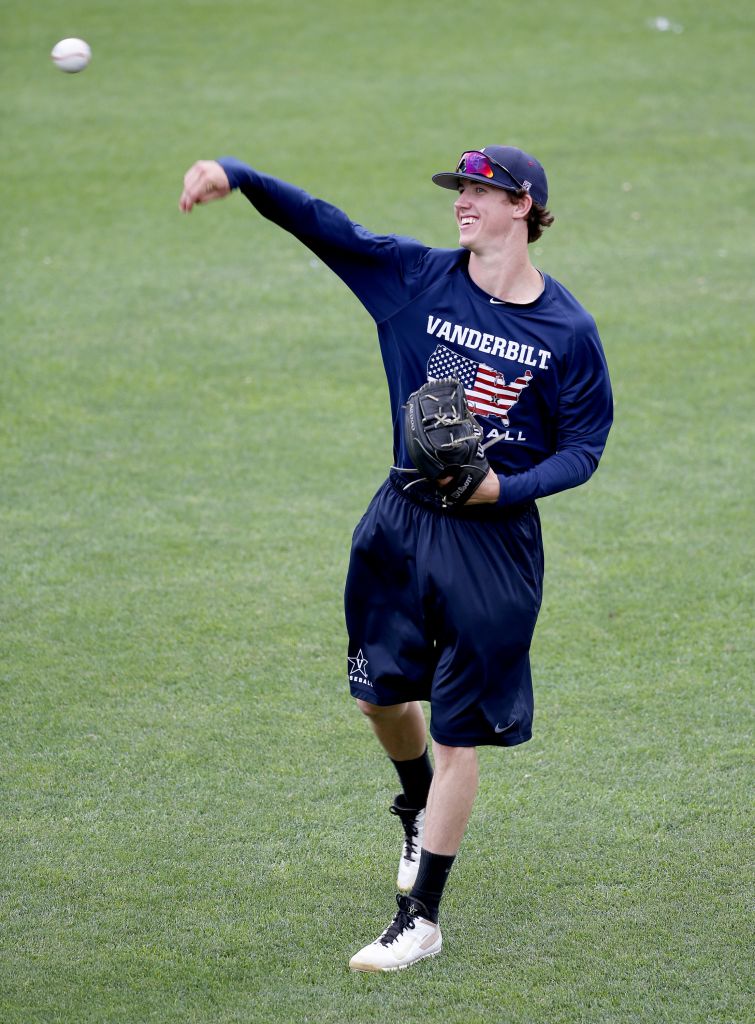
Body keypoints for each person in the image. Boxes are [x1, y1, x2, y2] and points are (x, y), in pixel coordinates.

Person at [179, 145, 613, 972]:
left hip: (492, 547)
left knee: (457, 735)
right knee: (377, 698)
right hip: (398, 525)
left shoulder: (567, 330)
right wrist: (241, 175)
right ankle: (415, 807)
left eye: (479, 190)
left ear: (522, 205)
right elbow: (327, 229)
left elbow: (584, 447)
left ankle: (420, 920)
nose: (462, 202)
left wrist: (504, 488)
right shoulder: (415, 279)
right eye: (459, 190)